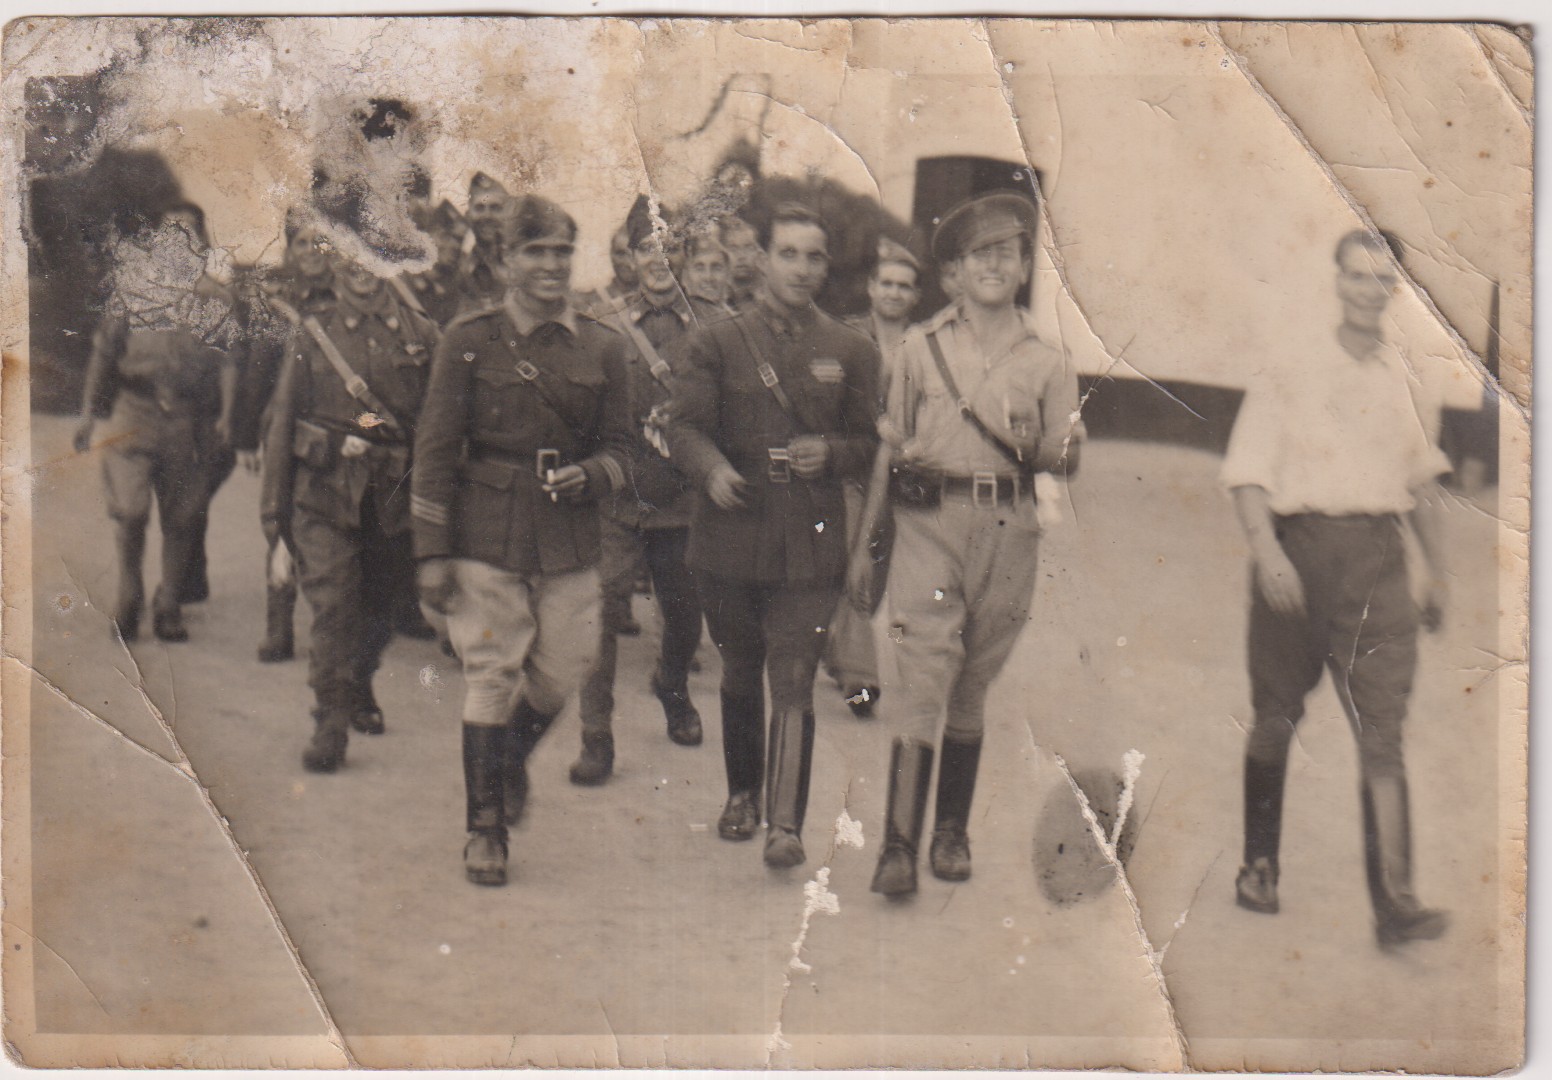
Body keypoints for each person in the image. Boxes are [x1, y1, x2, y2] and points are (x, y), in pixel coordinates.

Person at [1221, 229, 1451, 947]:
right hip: (1297, 555)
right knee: (1275, 715)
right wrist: (1268, 553)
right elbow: (1248, 473)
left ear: (1396, 290)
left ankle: (1397, 904)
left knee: (1383, 729)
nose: (1367, 290)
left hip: (1378, 564)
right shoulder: (1291, 365)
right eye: (1356, 275)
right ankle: (1259, 867)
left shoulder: (1407, 377)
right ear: (1337, 280)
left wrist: (1438, 571)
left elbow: (1421, 485)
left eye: (1381, 279)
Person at [853, 192, 1080, 898]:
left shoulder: (1048, 362)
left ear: (1023, 269)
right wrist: (865, 544)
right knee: (923, 675)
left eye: (1006, 254)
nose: (993, 266)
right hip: (930, 523)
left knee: (973, 682)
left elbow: (1066, 456)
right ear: (955, 271)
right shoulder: (918, 351)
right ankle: (897, 846)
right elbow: (889, 448)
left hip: (1009, 530)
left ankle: (950, 833)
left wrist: (1038, 443)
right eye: (979, 255)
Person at [412, 195, 633, 886]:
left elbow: (627, 449)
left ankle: (504, 761)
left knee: (567, 666)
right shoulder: (469, 339)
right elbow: (435, 448)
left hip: (569, 534)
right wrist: (430, 552)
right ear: (505, 260)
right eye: (535, 251)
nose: (551, 265)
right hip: (485, 529)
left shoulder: (602, 346)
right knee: (490, 673)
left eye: (562, 251)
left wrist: (592, 473)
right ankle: (485, 831)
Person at [667, 202, 879, 869]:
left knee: (793, 675)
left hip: (810, 537)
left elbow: (871, 444)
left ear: (827, 265)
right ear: (761, 260)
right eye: (788, 253)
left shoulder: (852, 349)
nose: (802, 268)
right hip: (731, 530)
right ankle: (742, 795)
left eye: (814, 256)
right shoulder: (716, 341)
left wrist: (833, 453)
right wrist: (712, 470)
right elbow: (682, 427)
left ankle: (784, 824)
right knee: (739, 668)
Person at [260, 240, 440, 772]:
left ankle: (359, 680)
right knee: (334, 607)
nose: (361, 272)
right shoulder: (313, 333)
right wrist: (275, 523)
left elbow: (438, 420)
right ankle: (330, 721)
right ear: (336, 263)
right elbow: (283, 425)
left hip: (393, 498)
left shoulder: (422, 333)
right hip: (325, 495)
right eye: (350, 260)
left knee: (383, 612)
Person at [571, 196, 707, 784]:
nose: (659, 260)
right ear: (630, 255)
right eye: (648, 248)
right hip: (617, 497)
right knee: (600, 615)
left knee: (685, 615)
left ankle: (671, 685)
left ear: (686, 253)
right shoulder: (603, 323)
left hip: (681, 497)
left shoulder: (712, 326)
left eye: (671, 247)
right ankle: (596, 734)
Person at [74, 208, 239, 643]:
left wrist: (226, 414)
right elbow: (103, 354)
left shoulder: (215, 300)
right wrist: (88, 413)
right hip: (135, 412)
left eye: (189, 234)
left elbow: (228, 364)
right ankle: (129, 594)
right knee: (130, 511)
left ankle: (169, 603)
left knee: (182, 517)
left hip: (187, 418)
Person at [828, 242, 922, 717]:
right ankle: (860, 676)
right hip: (852, 466)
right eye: (886, 283)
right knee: (855, 558)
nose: (893, 293)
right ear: (870, 288)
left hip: (899, 477)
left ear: (915, 295)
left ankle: (838, 649)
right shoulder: (846, 336)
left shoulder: (925, 345)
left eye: (904, 286)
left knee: (877, 568)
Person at [238, 211, 336, 663]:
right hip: (284, 431)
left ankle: (331, 630)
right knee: (279, 519)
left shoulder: (348, 300)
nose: (313, 252)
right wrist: (247, 438)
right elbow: (257, 371)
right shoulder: (278, 306)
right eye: (303, 243)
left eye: (322, 243)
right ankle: (278, 626)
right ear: (290, 250)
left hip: (334, 428)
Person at [457, 172, 509, 315]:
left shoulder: (521, 267)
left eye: (495, 208)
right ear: (468, 216)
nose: (487, 216)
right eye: (479, 208)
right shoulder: (458, 269)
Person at [717, 215, 764, 311]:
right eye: (733, 248)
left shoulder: (771, 297)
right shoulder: (715, 296)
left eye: (748, 247)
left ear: (758, 251)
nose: (741, 256)